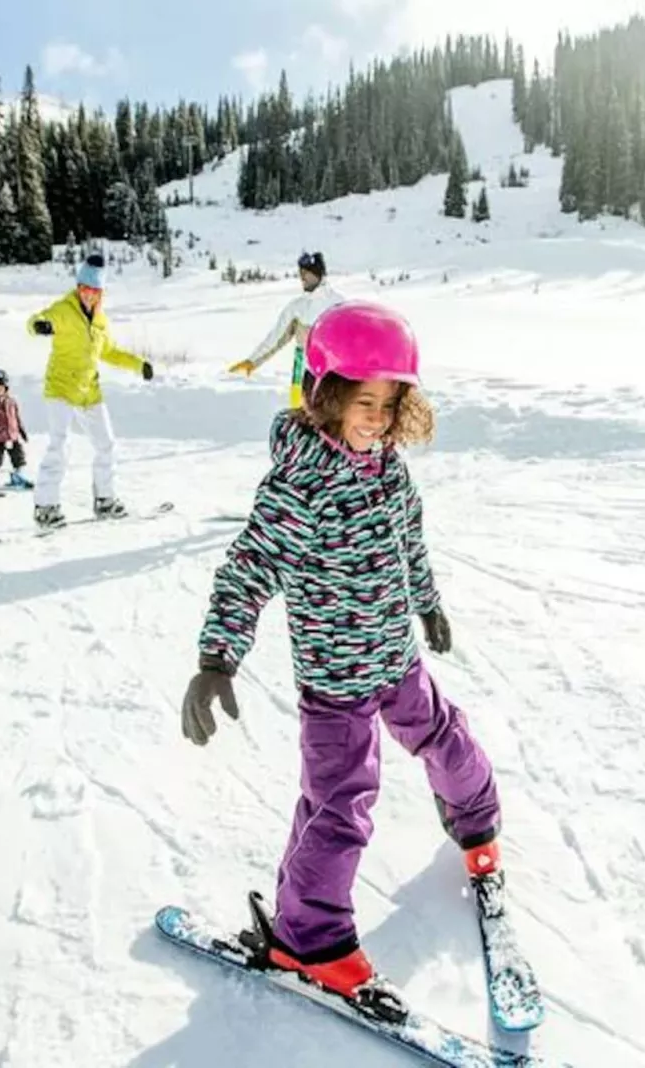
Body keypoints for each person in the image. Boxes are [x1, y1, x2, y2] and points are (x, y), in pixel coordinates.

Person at [181, 300, 499, 1013]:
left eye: (390, 404)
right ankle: (309, 936)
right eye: (364, 402)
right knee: (340, 802)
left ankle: (476, 819)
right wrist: (217, 658)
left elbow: (409, 541)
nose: (378, 420)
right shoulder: (302, 484)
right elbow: (249, 566)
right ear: (324, 393)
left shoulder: (388, 469)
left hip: (397, 654)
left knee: (443, 732)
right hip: (335, 682)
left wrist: (428, 600)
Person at [26, 252, 155, 529]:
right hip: (60, 387)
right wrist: (40, 326)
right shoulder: (63, 310)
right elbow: (35, 320)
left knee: (106, 444)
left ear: (101, 293)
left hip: (89, 391)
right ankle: (46, 507)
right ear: (78, 288)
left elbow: (108, 351)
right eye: (85, 290)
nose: (89, 296)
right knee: (60, 444)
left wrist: (138, 364)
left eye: (95, 291)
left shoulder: (100, 320)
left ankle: (105, 501)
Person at [227, 251, 344, 409]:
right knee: (298, 412)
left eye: (306, 273)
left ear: (318, 274)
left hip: (330, 372)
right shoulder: (297, 307)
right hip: (300, 370)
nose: (302, 278)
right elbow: (276, 337)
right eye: (300, 273)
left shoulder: (337, 304)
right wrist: (252, 361)